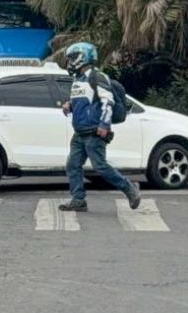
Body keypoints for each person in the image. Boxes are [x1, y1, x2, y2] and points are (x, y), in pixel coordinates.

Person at [59, 42, 141, 212]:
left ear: (83, 57)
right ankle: (78, 200)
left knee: (100, 166)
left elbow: (107, 101)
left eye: (73, 58)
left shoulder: (97, 77)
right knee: (72, 165)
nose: (71, 62)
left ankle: (129, 188)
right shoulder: (78, 80)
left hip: (94, 132)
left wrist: (104, 124)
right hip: (80, 133)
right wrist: (70, 105)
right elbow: (85, 102)